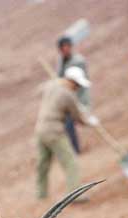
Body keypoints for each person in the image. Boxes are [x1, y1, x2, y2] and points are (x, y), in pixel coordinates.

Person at [35, 66, 99, 201]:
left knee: (43, 164)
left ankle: (41, 194)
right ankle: (74, 195)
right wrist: (90, 122)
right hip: (54, 132)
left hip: (40, 129)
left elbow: (40, 89)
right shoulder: (68, 95)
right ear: (73, 82)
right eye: (77, 85)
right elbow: (78, 118)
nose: (78, 88)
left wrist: (55, 83)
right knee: (71, 163)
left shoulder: (53, 84)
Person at [57, 36, 91, 153]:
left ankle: (75, 149)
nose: (66, 50)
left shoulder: (78, 61)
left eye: (67, 47)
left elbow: (81, 85)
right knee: (67, 124)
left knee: (71, 121)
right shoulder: (61, 62)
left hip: (78, 96)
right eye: (63, 48)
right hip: (67, 97)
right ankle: (73, 149)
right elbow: (60, 79)